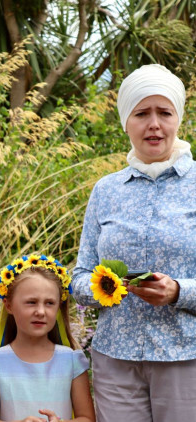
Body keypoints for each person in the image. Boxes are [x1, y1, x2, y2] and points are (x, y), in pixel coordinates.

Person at [71, 63, 196, 421]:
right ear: (126, 121)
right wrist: (104, 287)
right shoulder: (105, 191)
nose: (153, 123)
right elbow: (80, 275)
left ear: (178, 119)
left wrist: (177, 291)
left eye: (164, 112)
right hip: (115, 360)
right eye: (141, 113)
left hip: (185, 357)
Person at [0, 255, 95, 422]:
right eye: (31, 302)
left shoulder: (72, 360)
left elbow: (87, 418)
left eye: (49, 303)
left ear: (58, 307)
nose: (40, 311)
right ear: (9, 305)